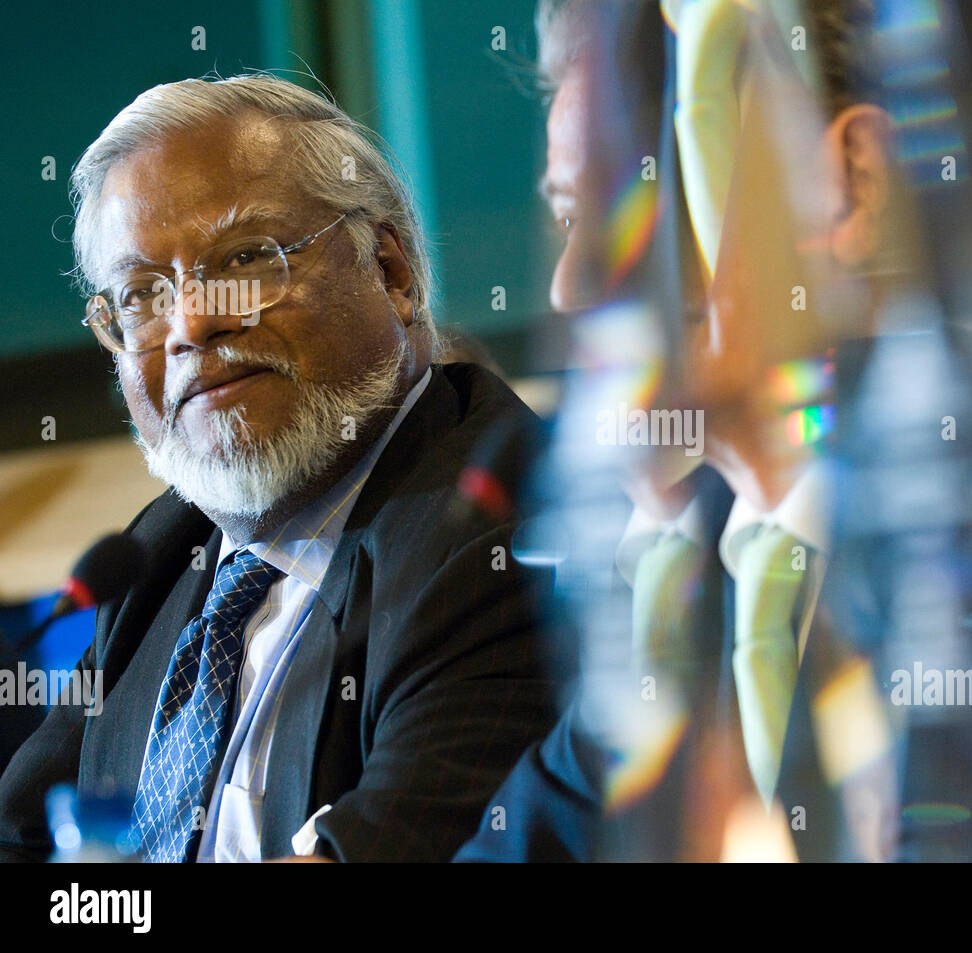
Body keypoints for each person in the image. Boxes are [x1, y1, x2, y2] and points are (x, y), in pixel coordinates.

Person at [0, 74, 556, 862]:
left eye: (246, 259)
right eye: (142, 295)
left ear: (390, 270)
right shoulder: (161, 553)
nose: (192, 323)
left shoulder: (500, 537)